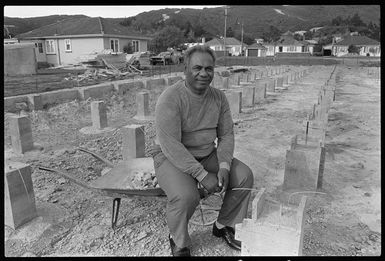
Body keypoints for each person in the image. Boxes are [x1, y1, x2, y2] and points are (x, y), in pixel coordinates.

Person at [152, 45, 254, 256]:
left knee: (244, 177)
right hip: (171, 157)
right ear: (185, 70)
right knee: (186, 196)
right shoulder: (171, 98)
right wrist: (201, 174)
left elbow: (226, 135)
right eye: (197, 68)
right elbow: (170, 144)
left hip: (207, 154)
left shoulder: (218, 98)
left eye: (209, 68)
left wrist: (224, 165)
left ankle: (224, 224)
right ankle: (178, 240)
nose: (204, 73)